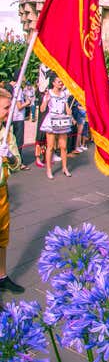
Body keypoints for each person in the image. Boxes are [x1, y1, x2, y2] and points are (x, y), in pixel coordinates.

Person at [0, 88, 23, 293]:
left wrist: (10, 157)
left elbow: (17, 164)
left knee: (2, 236)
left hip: (2, 192)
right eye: (6, 107)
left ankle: (2, 276)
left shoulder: (7, 134)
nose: (9, 112)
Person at [39, 77, 72, 180]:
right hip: (52, 120)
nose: (61, 83)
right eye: (59, 82)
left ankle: (64, 168)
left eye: (62, 81)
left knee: (63, 146)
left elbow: (67, 108)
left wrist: (69, 112)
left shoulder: (64, 94)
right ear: (53, 83)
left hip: (62, 120)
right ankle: (49, 169)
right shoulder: (48, 93)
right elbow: (42, 109)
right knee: (50, 147)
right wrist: (46, 100)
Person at [10, 82, 30, 170]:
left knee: (12, 140)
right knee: (19, 141)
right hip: (18, 118)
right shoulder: (18, 88)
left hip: (12, 117)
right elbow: (19, 106)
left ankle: (12, 162)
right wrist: (27, 102)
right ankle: (19, 163)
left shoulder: (11, 87)